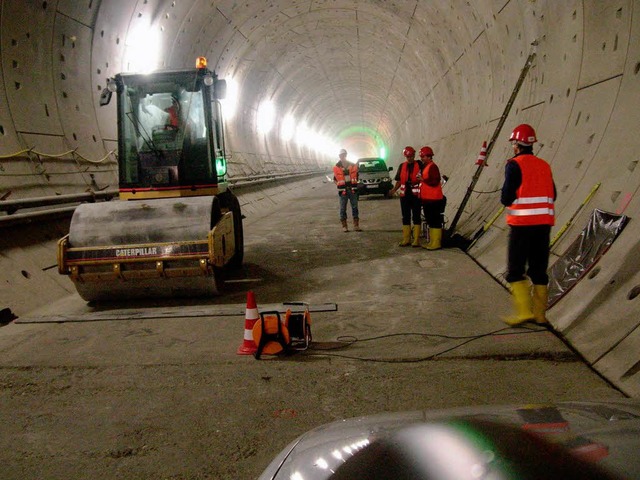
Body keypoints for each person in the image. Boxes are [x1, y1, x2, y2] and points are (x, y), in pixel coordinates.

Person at [501, 124, 556, 326]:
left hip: (522, 226)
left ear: (516, 144)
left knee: (515, 270)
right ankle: (540, 315)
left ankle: (524, 312)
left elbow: (506, 198)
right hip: (543, 226)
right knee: (539, 271)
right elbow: (554, 194)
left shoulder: (514, 165)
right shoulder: (544, 165)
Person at [388, 146, 424, 246]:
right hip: (405, 196)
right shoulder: (402, 166)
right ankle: (406, 239)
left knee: (416, 216)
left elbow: (425, 176)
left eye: (412, 156)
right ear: (405, 156)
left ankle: (416, 239)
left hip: (416, 195)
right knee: (405, 217)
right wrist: (394, 190)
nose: (410, 158)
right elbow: (399, 181)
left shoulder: (420, 164)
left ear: (414, 155)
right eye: (408, 157)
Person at [418, 146, 445, 250]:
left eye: (423, 156)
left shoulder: (432, 167)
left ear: (429, 156)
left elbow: (435, 181)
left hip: (434, 199)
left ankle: (436, 243)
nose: (422, 158)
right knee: (430, 220)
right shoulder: (426, 166)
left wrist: (423, 179)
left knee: (435, 221)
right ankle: (433, 241)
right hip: (428, 199)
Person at [333, 148, 361, 232]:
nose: (342, 156)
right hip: (343, 191)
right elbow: (335, 179)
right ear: (339, 156)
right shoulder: (337, 167)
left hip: (352, 189)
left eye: (344, 155)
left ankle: (356, 225)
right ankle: (344, 226)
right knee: (342, 208)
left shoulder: (353, 165)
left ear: (346, 155)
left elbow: (357, 176)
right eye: (341, 155)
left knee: (355, 207)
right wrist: (338, 184)